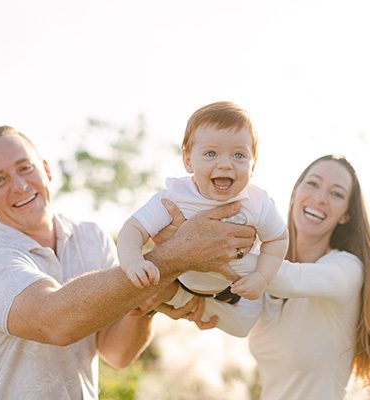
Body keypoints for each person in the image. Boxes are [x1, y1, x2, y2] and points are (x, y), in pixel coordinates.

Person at [0, 125, 256, 400]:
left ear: (46, 169)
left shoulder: (91, 237)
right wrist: (176, 254)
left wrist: (148, 301)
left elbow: (116, 353)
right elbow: (55, 322)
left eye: (25, 168)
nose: (20, 186)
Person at [116, 101, 288, 337]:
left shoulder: (257, 202)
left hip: (231, 288)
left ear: (253, 164)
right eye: (210, 153)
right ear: (188, 160)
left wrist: (261, 277)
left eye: (239, 155)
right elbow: (133, 229)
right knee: (142, 291)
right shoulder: (176, 197)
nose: (225, 163)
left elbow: (278, 238)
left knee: (246, 321)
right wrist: (133, 262)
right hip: (180, 281)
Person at [245, 154, 370, 399]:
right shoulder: (269, 274)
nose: (320, 198)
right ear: (295, 193)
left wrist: (217, 251)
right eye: (313, 184)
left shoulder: (346, 269)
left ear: (345, 215)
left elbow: (292, 279)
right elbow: (231, 320)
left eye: (336, 194)